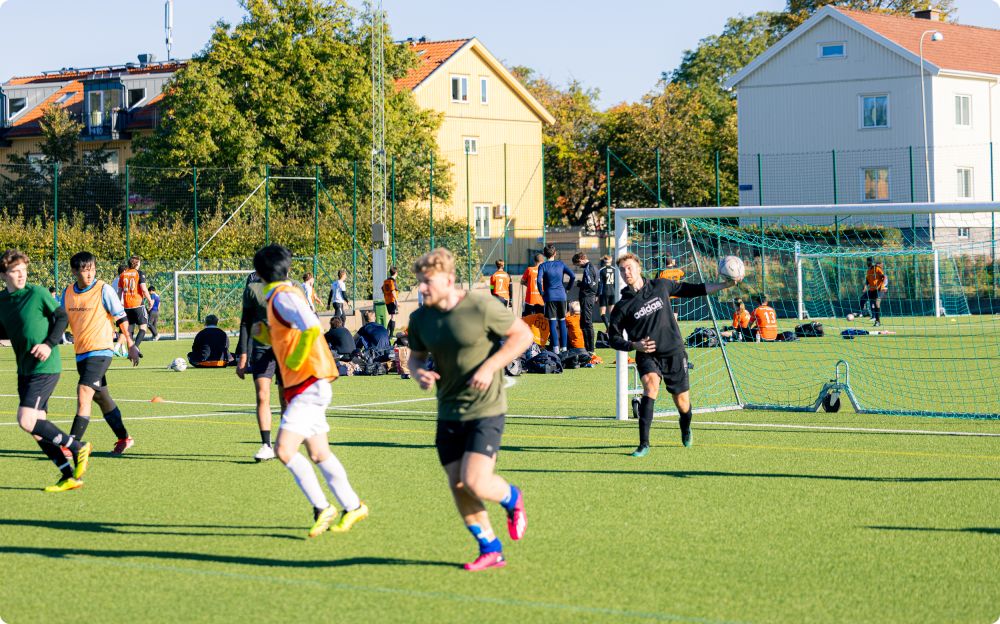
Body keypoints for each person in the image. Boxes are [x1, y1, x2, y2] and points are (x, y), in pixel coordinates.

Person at [406, 248, 533, 571]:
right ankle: (490, 548)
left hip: (485, 408)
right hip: (448, 411)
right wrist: (418, 372)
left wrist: (491, 366)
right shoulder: (421, 319)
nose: (422, 289)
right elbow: (416, 357)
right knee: (457, 485)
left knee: (475, 481)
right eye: (420, 282)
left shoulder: (481, 306)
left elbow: (523, 335)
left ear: (449, 280)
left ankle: (511, 497)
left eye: (428, 282)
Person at [251, 244, 368, 538]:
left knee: (284, 450)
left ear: (258, 273)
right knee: (318, 452)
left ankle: (321, 507)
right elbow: (291, 332)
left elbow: (312, 327)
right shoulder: (279, 296)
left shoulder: (282, 296)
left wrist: (294, 358)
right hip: (306, 383)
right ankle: (353, 506)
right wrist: (266, 334)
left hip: (308, 382)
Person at [608, 253, 738, 456]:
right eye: (623, 270)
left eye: (630, 267)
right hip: (648, 355)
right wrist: (634, 345)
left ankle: (685, 427)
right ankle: (644, 445)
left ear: (639, 268)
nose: (627, 272)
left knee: (683, 405)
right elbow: (612, 338)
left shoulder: (661, 286)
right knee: (650, 387)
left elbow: (692, 289)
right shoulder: (622, 306)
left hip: (674, 352)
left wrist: (724, 285)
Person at [0, 249, 91, 492]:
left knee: (26, 419)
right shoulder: (2, 302)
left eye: (24, 271)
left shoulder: (37, 293)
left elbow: (62, 317)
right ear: (3, 275)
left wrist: (49, 344)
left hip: (45, 366)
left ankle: (77, 446)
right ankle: (68, 476)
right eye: (15, 272)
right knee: (37, 428)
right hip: (25, 370)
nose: (21, 276)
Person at [63, 251, 140, 457]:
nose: (89, 275)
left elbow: (121, 318)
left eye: (92, 270)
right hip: (81, 353)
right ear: (74, 271)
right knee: (102, 398)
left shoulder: (103, 289)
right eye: (84, 271)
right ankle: (124, 438)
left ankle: (71, 445)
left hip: (101, 350)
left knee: (84, 392)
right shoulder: (68, 292)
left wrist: (130, 344)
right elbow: (60, 320)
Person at [236, 271, 284, 462]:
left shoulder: (293, 287)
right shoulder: (252, 290)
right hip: (262, 348)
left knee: (285, 398)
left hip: (286, 349)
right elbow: (245, 323)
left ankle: (285, 440)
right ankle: (266, 444)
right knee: (262, 395)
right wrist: (243, 354)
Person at [536, 244, 576, 354]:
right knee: (562, 321)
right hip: (562, 296)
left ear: (544, 254)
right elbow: (572, 276)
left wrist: (542, 293)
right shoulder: (561, 264)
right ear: (555, 253)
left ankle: (556, 349)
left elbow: (539, 281)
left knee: (552, 323)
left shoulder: (542, 266)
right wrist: (567, 288)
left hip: (549, 296)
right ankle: (564, 348)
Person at [118, 255, 153, 353]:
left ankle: (131, 349)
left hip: (127, 306)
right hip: (138, 304)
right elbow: (144, 289)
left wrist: (119, 304)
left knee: (130, 329)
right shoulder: (139, 273)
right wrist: (150, 300)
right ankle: (135, 347)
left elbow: (119, 292)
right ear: (137, 264)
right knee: (143, 327)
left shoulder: (123, 275)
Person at [572, 252, 598, 353]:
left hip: (587, 297)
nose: (579, 266)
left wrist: (580, 284)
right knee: (583, 322)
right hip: (590, 297)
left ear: (581, 260)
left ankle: (591, 349)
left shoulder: (588, 268)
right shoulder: (594, 267)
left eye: (578, 264)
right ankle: (586, 348)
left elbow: (590, 284)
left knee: (587, 322)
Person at [865, 258, 888, 327]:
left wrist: (883, 286)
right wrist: (865, 286)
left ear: (872, 262)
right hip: (873, 290)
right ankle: (875, 318)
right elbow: (867, 280)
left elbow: (884, 277)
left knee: (876, 303)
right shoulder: (868, 271)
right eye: (867, 262)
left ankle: (877, 321)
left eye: (869, 261)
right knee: (873, 304)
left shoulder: (877, 269)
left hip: (880, 289)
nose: (868, 263)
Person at [597, 255, 616, 329]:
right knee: (612, 313)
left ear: (604, 261)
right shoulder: (615, 269)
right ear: (611, 261)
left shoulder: (601, 270)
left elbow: (600, 284)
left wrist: (597, 295)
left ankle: (608, 327)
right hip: (613, 292)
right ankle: (612, 328)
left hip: (604, 293)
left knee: (602, 312)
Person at [381, 267, 399, 334]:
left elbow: (382, 288)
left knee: (392, 316)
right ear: (396, 273)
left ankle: (387, 332)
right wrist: (397, 300)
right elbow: (393, 291)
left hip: (387, 300)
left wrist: (386, 295)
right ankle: (391, 334)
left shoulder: (386, 281)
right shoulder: (392, 281)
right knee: (393, 317)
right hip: (392, 300)